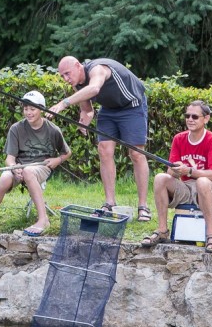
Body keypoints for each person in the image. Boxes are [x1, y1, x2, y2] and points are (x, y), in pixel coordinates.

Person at [48, 56, 151, 222]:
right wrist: (85, 118)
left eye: (67, 74)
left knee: (136, 154)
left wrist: (63, 104)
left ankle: (143, 206)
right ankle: (109, 203)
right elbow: (87, 108)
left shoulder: (98, 69)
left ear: (77, 66)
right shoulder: (77, 84)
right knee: (104, 149)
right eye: (62, 76)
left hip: (132, 106)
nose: (66, 79)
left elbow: (94, 89)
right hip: (109, 110)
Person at [0, 91, 71, 236]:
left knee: (29, 171)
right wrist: (13, 167)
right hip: (19, 166)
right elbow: (10, 158)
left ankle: (43, 219)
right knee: (4, 178)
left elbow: (67, 152)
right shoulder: (16, 128)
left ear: (42, 110)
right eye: (26, 109)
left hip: (41, 167)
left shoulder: (53, 130)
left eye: (32, 109)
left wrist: (57, 160)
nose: (28, 112)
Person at [140, 100, 212, 253]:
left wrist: (190, 171)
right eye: (187, 116)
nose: (190, 119)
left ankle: (211, 235)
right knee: (160, 178)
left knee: (203, 182)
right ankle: (162, 230)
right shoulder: (179, 138)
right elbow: (170, 173)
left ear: (206, 119)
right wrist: (175, 169)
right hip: (186, 189)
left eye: (195, 116)